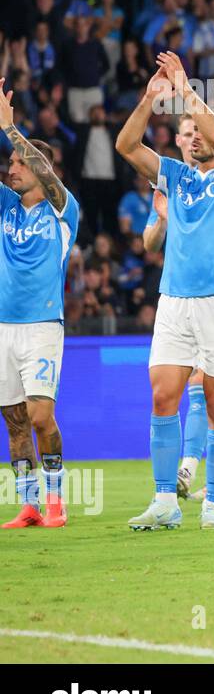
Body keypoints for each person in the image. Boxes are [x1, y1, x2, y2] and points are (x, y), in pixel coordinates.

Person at [116, 52, 214, 531]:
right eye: (186, 131)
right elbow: (127, 144)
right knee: (162, 396)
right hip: (173, 300)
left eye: (199, 130)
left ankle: (213, 503)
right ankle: (163, 501)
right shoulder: (173, 177)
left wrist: (188, 89)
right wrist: (152, 97)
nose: (193, 137)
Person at [0, 79, 80, 529]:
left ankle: (56, 500)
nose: (11, 168)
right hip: (2, 327)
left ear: (41, 168)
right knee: (13, 422)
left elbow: (43, 172)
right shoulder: (5, 207)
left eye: (19, 162)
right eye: (10, 162)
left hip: (43, 326)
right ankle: (29, 505)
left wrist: (12, 130)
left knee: (40, 415)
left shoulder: (62, 209)